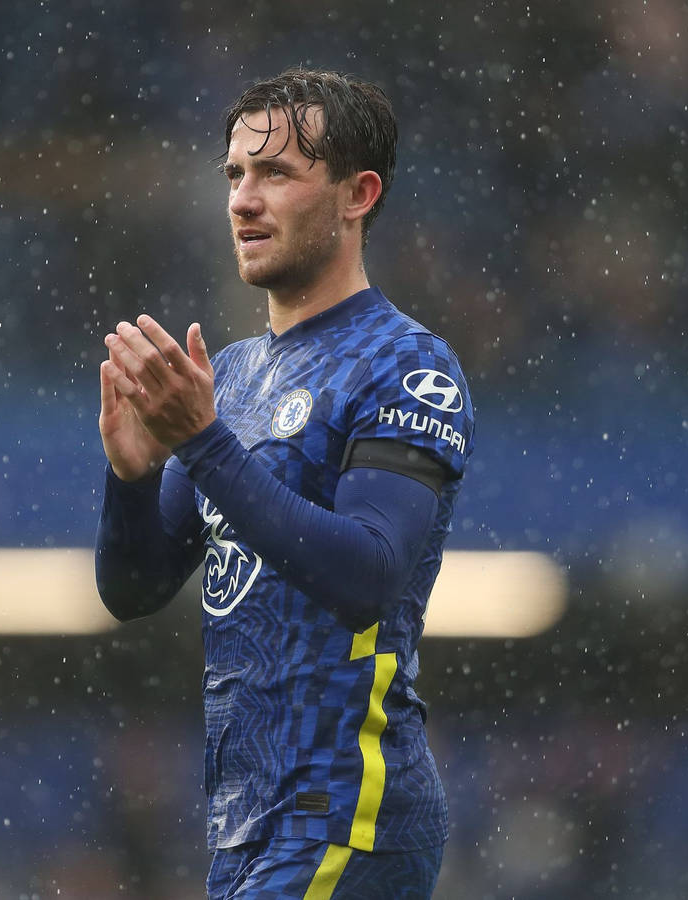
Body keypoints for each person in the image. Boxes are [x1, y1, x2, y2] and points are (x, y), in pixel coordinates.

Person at [95, 68, 475, 900]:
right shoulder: (229, 376)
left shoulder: (407, 366)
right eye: (235, 174)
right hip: (245, 824)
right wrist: (133, 476)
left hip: (348, 807)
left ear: (356, 194)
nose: (243, 199)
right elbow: (134, 589)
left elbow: (367, 574)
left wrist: (202, 444)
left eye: (276, 173)